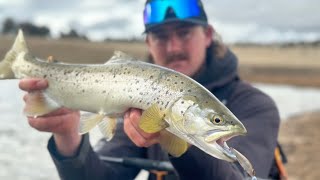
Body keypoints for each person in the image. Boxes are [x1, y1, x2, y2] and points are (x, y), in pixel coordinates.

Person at [19, 0, 281, 179]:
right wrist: (68, 137)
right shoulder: (138, 100)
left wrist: (178, 140)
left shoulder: (256, 105)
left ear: (208, 35)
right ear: (148, 42)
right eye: (161, 36)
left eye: (184, 33)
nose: (173, 47)